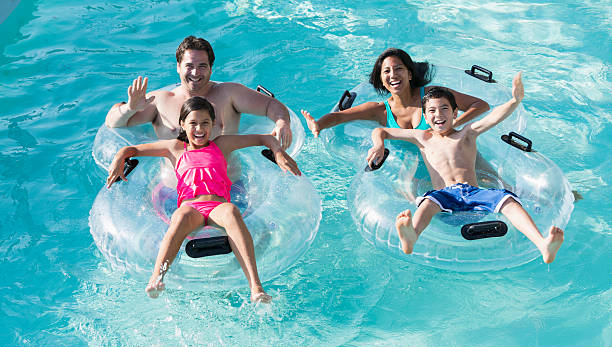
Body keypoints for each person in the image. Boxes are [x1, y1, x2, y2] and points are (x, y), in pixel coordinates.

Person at [106, 96, 301, 303]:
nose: (199, 128)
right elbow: (132, 149)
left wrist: (278, 153)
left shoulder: (222, 144)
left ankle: (256, 287)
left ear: (214, 124)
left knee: (232, 211)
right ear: (182, 124)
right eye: (193, 123)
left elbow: (265, 138)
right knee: (180, 215)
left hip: (218, 205)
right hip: (191, 208)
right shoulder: (175, 148)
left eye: (205, 123)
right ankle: (157, 277)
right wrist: (120, 157)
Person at [366, 73, 564, 264]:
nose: (438, 115)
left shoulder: (466, 134)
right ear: (425, 116)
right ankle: (411, 236)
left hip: (474, 193)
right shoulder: (422, 138)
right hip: (444, 196)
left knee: (508, 200)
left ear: (454, 113)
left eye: (444, 109)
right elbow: (380, 130)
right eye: (432, 111)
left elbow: (493, 117)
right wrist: (378, 145)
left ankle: (542, 244)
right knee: (427, 202)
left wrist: (514, 101)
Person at [105, 36, 293, 149]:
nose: (195, 73)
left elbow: (271, 105)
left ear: (211, 68)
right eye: (189, 66)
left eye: (202, 66)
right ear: (178, 67)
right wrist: (129, 108)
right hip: (174, 189)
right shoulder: (160, 101)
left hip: (228, 184)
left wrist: (282, 122)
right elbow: (113, 123)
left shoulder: (229, 94)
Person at [301, 47, 489, 136]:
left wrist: (452, 124)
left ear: (409, 74)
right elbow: (339, 117)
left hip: (455, 152)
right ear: (382, 80)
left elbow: (480, 105)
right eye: (387, 71)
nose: (393, 75)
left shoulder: (432, 96)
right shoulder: (380, 110)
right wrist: (318, 124)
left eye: (399, 69)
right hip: (418, 165)